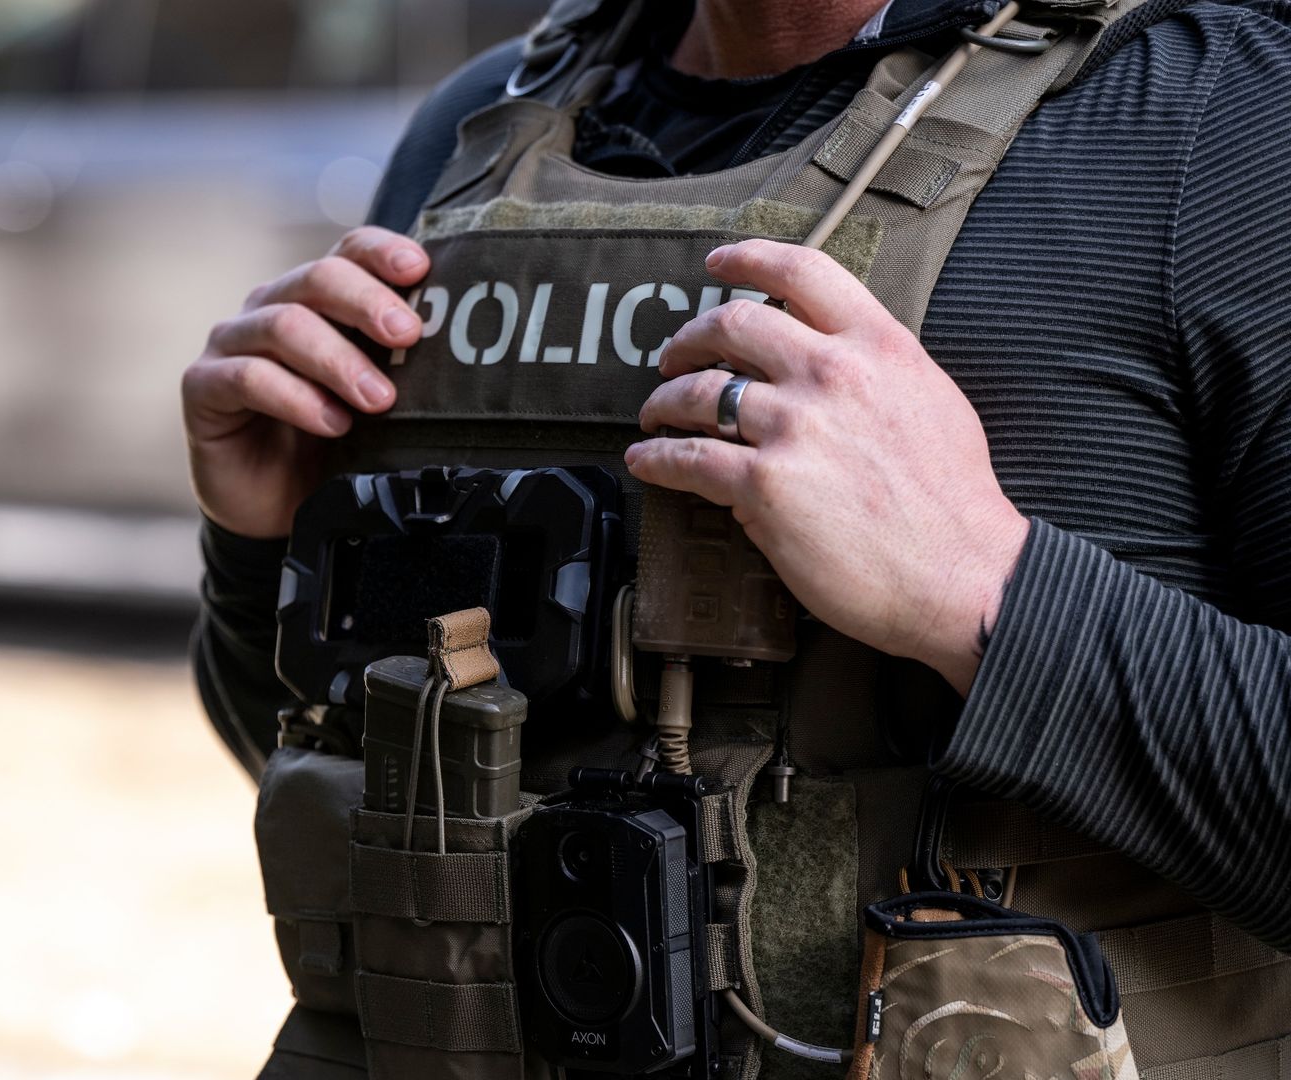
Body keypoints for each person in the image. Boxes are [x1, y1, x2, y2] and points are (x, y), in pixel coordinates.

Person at [183, 0, 1291, 1075]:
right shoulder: (481, 123)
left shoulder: (1222, 114)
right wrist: (256, 547)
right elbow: (335, 782)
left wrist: (984, 589)